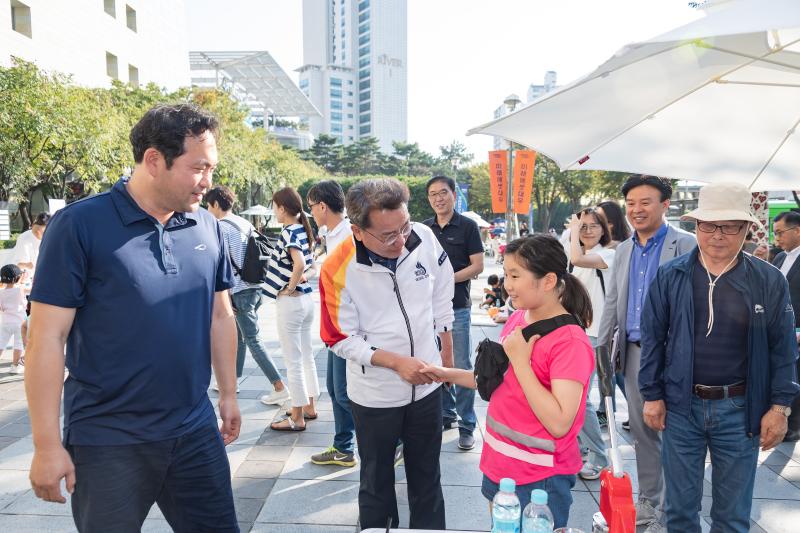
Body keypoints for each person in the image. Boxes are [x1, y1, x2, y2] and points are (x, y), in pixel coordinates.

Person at [25, 104, 241, 532]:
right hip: (108, 438)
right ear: (154, 160)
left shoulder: (207, 227)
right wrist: (46, 445)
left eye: (212, 168)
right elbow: (46, 338)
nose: (208, 182)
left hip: (194, 429)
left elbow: (221, 314)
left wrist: (229, 393)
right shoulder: (79, 225)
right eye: (198, 168)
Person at [639, 182, 799, 533]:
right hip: (681, 405)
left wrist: (779, 407)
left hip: (741, 408)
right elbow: (653, 339)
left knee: (732, 517)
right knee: (680, 512)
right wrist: (651, 394)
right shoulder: (672, 275)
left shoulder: (768, 280)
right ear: (696, 226)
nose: (718, 235)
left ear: (745, 229)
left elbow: (783, 347)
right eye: (708, 225)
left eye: (729, 226)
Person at [421, 234, 594, 529]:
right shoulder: (518, 319)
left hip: (540, 478)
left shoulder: (570, 342)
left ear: (548, 281)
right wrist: (444, 373)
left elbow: (560, 422)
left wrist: (521, 361)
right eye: (506, 274)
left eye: (515, 275)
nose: (507, 284)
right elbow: (497, 381)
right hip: (499, 464)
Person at [319, 178, 454, 530]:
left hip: (426, 388)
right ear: (358, 231)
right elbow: (338, 338)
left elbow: (441, 294)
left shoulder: (423, 236)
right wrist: (394, 362)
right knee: (376, 482)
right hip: (375, 396)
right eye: (388, 235)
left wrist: (446, 364)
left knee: (427, 478)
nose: (401, 240)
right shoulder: (337, 267)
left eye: (404, 227)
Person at [596, 174, 695, 530]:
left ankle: (674, 507)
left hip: (676, 354)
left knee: (674, 430)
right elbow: (612, 302)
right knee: (642, 430)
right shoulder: (623, 249)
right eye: (631, 204)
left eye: (645, 202)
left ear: (665, 205)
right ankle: (651, 500)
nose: (636, 210)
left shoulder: (686, 245)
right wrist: (602, 348)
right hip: (635, 353)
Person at [205, 185, 289, 402]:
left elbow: (222, 265)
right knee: (240, 336)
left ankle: (280, 387)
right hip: (256, 286)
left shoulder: (221, 227)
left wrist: (226, 295)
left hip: (241, 290)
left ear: (215, 204)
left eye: (208, 205)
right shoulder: (243, 223)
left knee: (252, 338)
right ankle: (233, 380)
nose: (207, 210)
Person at [423, 175, 484, 450]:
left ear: (453, 194)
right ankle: (444, 414)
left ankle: (467, 424)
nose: (439, 198)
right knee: (435, 363)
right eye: (433, 194)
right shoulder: (423, 229)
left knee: (460, 366)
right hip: (427, 310)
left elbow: (478, 266)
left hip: (457, 306)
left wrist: (446, 280)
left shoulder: (468, 226)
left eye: (443, 193)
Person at [306, 180, 357, 466]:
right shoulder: (333, 234)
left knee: (345, 392)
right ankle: (343, 446)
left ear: (323, 206)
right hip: (334, 325)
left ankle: (390, 442)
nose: (310, 212)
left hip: (347, 328)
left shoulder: (349, 234)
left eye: (311, 206)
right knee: (336, 390)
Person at [567, 208, 615, 481]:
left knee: (580, 400)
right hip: (577, 333)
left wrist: (573, 230)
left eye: (592, 226)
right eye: (581, 226)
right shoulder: (577, 256)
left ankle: (599, 456)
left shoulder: (608, 254)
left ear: (604, 229)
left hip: (597, 335)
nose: (586, 230)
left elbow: (576, 257)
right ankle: (582, 450)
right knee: (575, 398)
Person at [267, 187, 319, 432]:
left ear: (283, 208)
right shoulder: (302, 229)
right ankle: (308, 406)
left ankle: (297, 417)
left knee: (293, 361)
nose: (273, 211)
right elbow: (311, 268)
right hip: (306, 302)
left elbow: (298, 264)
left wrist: (289, 287)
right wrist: (298, 282)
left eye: (274, 206)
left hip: (292, 303)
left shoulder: (289, 232)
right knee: (306, 357)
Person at [772, 210, 800, 441]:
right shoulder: (780, 257)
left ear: (798, 231)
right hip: (779, 328)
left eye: (780, 233)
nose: (777, 239)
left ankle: (795, 425)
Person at [0, 264, 26, 374]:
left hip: (6, 322)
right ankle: (15, 366)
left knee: (1, 343)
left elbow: (1, 308)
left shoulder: (1, 292)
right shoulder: (19, 289)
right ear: (17, 278)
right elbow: (24, 303)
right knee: (18, 345)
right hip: (19, 323)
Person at [13, 212, 50, 280]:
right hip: (31, 277)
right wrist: (26, 265)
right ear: (33, 225)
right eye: (35, 231)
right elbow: (20, 264)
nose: (38, 233)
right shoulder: (24, 238)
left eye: (41, 232)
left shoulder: (53, 237)